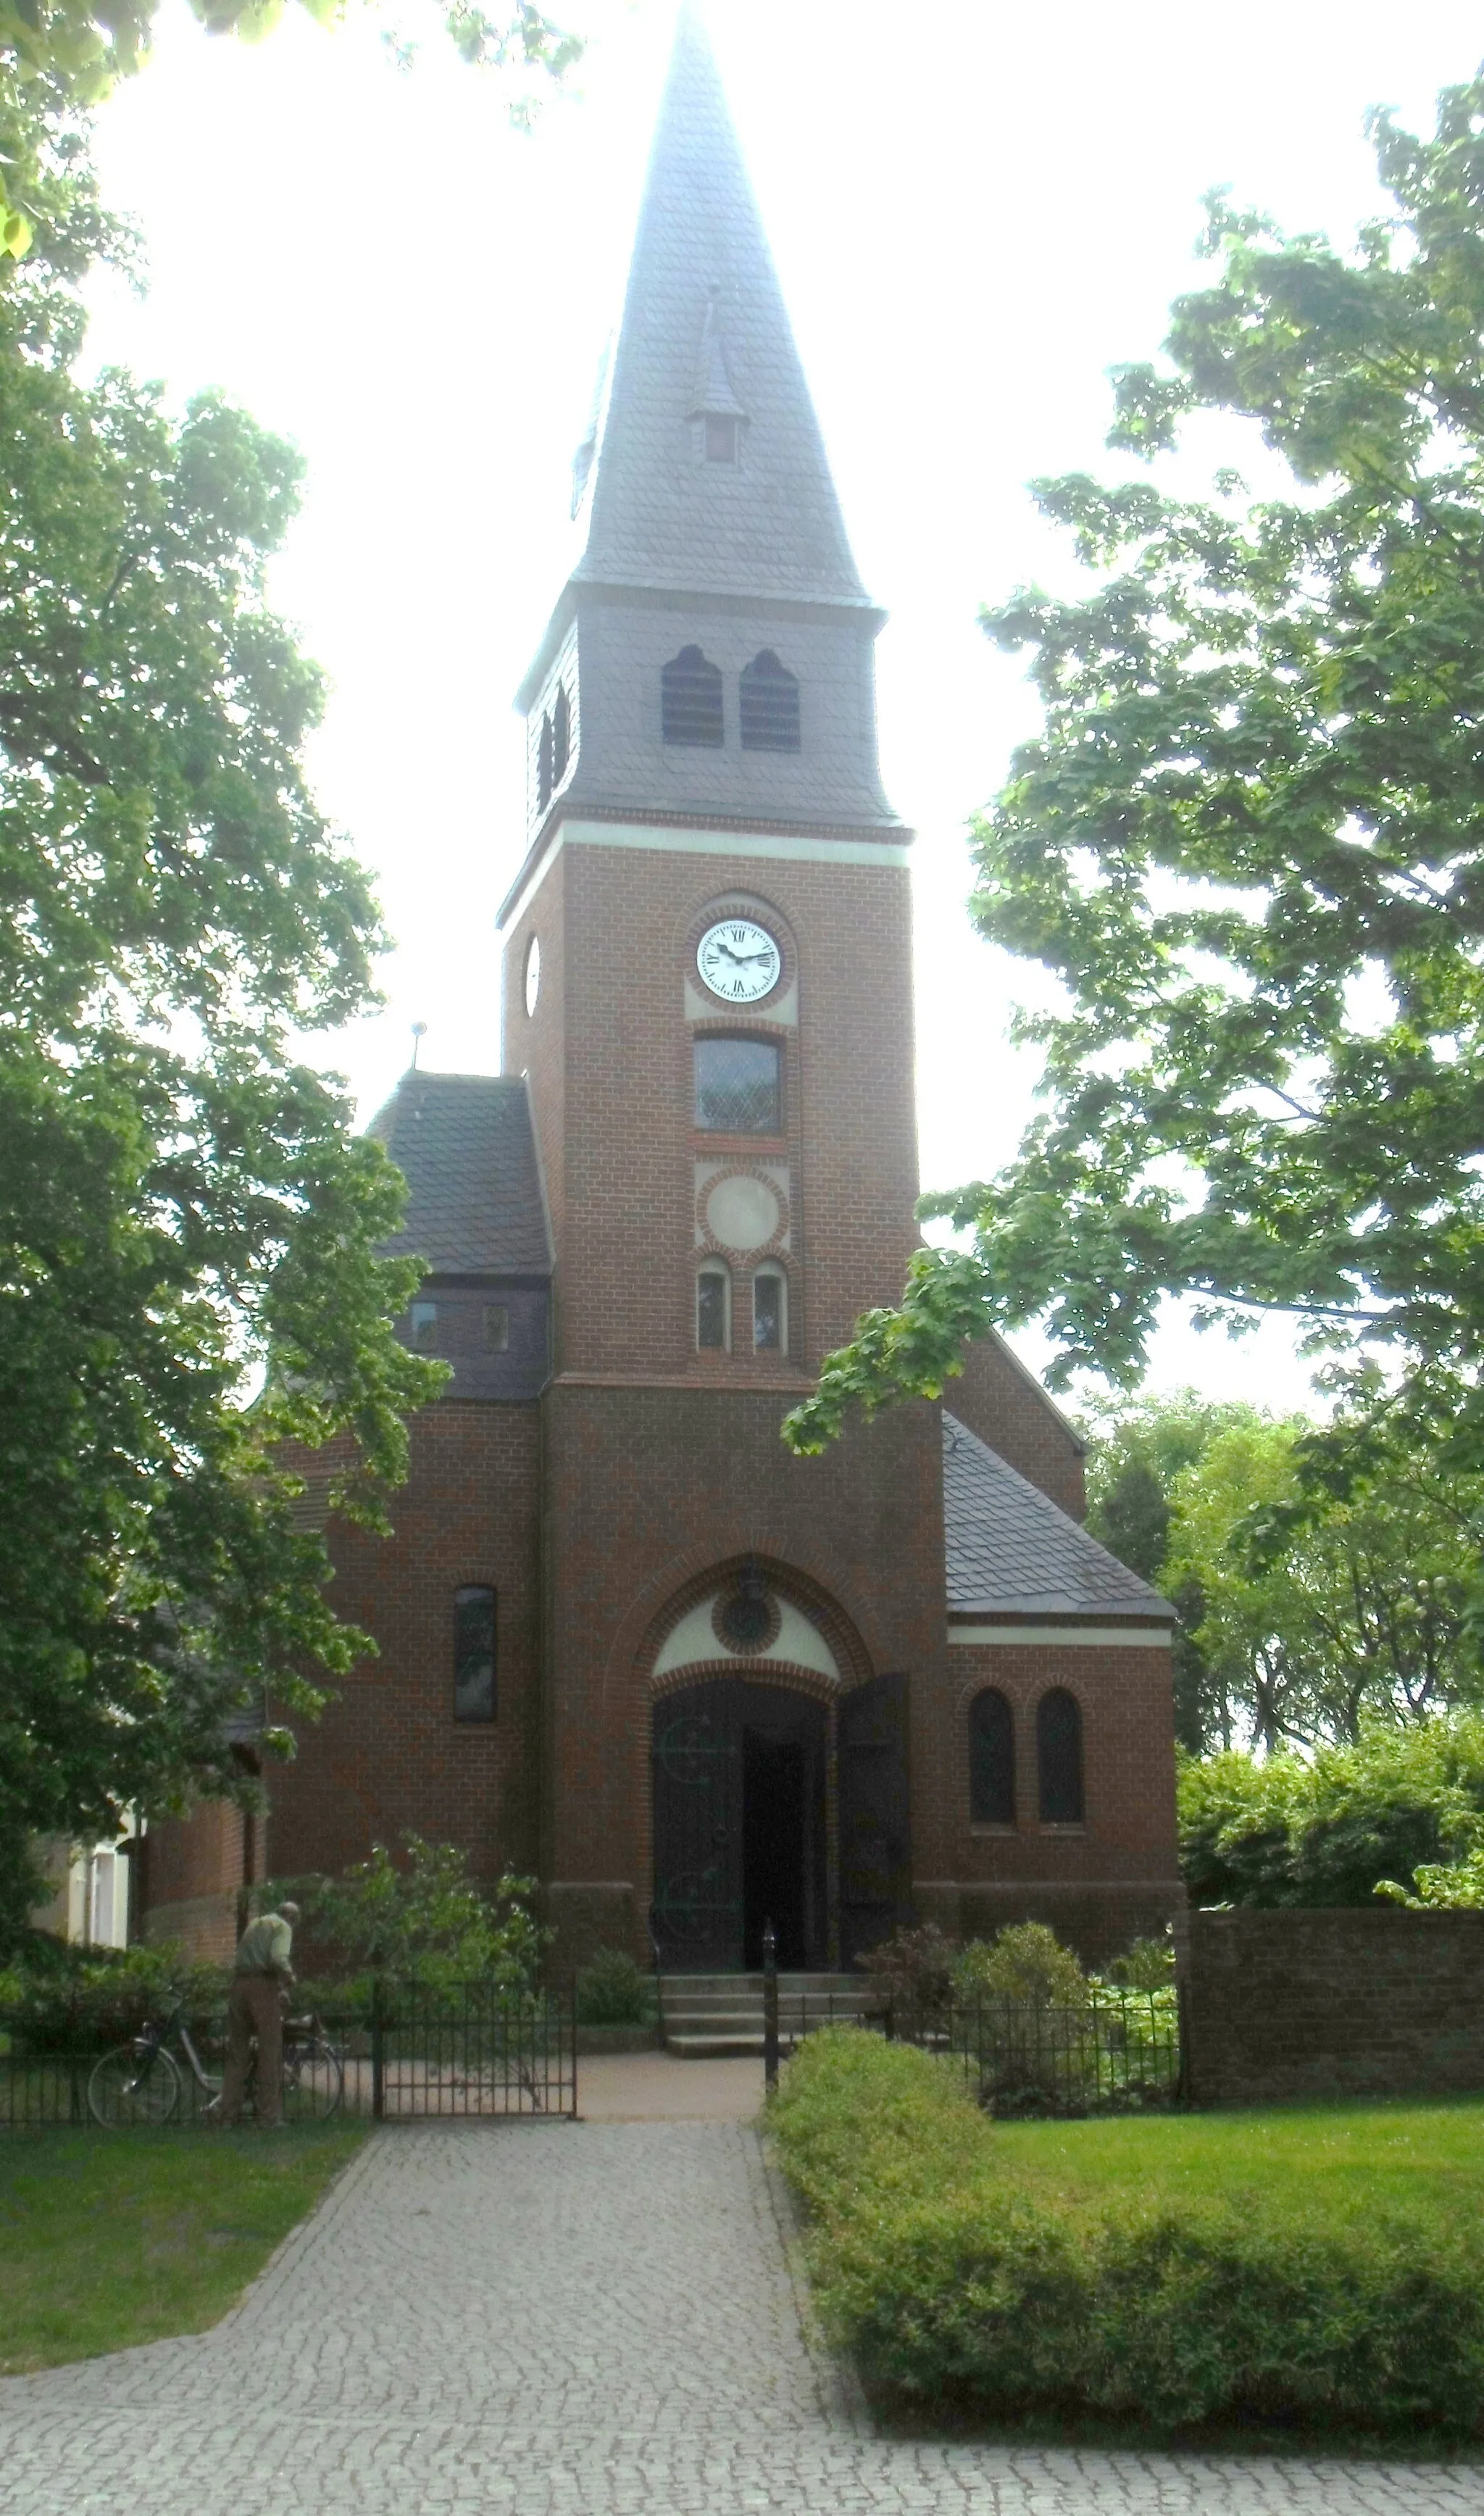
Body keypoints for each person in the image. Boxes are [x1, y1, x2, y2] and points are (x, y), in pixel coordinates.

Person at [217, 1901, 301, 2128]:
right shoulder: (282, 1927)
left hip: (239, 1986)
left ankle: (228, 2116)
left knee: (237, 2053)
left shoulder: (255, 1923)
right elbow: (277, 1959)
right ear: (291, 1916)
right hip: (262, 1988)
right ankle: (269, 2117)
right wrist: (290, 1978)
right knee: (270, 2053)